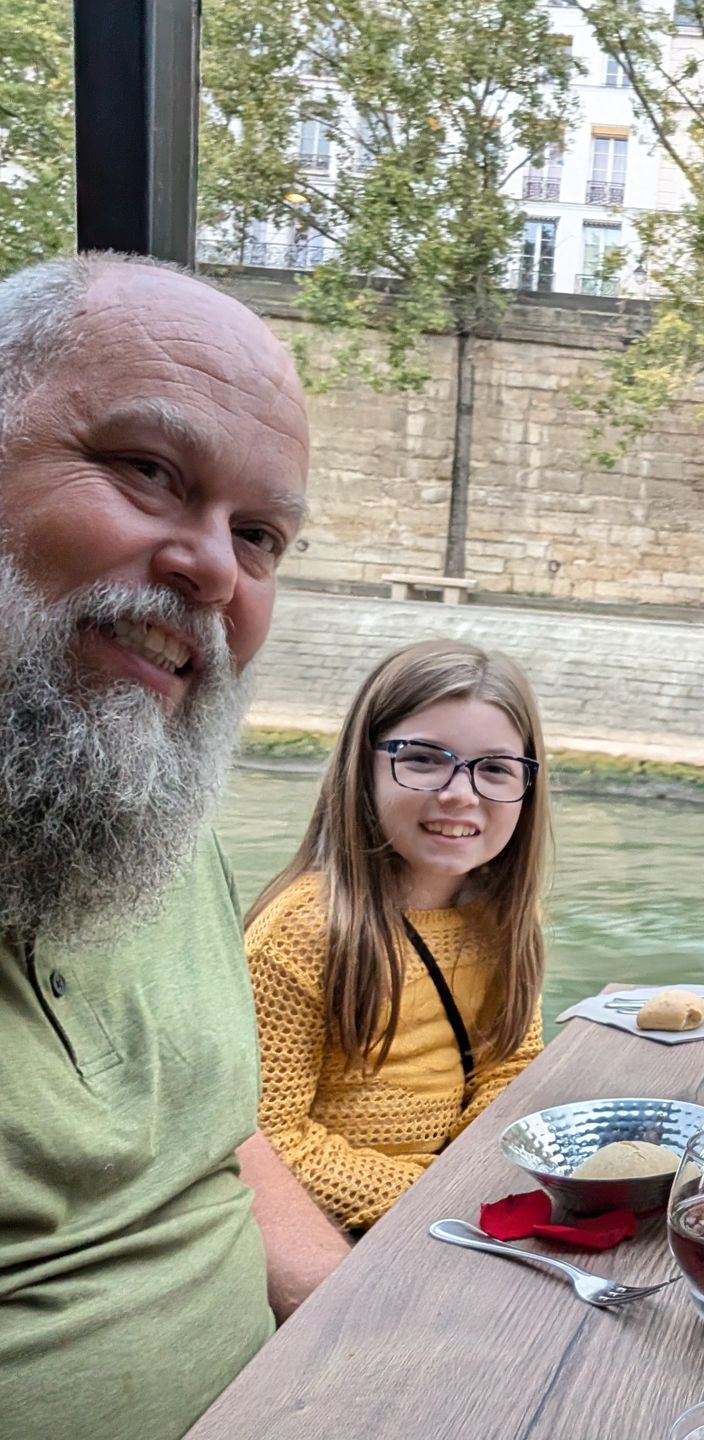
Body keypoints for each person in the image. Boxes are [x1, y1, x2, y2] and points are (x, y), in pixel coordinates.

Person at [0, 254, 349, 1440]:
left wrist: (387, 1346)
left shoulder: (141, 821)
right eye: (150, 471)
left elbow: (222, 1144)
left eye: (259, 535)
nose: (211, 567)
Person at [246, 639, 553, 1231]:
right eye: (422, 759)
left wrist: (473, 1175)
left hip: (458, 1205)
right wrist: (434, 1196)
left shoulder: (505, 917)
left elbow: (508, 1066)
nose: (460, 793)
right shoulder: (303, 931)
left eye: (494, 769)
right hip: (345, 1231)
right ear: (363, 767)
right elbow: (267, 1140)